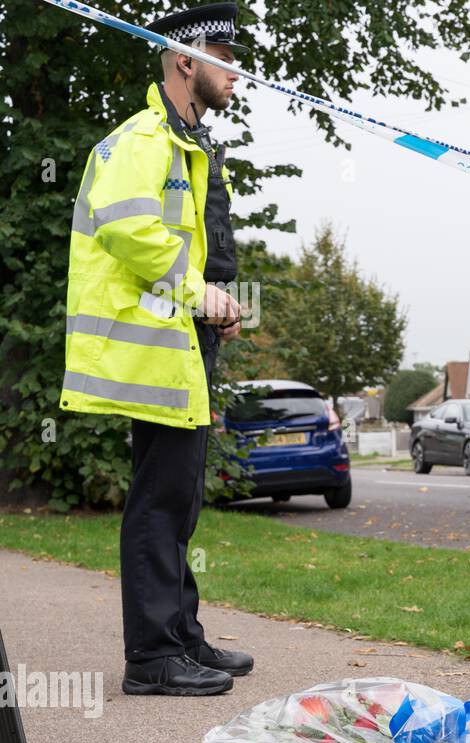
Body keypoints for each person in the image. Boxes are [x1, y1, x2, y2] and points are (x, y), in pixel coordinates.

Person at [61, 3, 255, 695]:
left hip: (183, 340)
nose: (237, 71)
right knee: (160, 500)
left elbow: (198, 244)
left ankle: (182, 637)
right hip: (151, 346)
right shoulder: (143, 138)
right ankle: (150, 658)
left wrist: (218, 305)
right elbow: (126, 225)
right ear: (185, 61)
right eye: (225, 57)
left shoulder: (188, 144)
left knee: (177, 497)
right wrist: (193, 290)